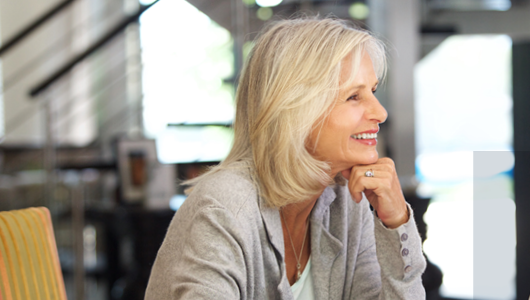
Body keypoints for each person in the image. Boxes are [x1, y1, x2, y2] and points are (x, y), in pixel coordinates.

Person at [146, 17, 426, 299]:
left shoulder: (346, 200)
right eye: (354, 96)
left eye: (373, 91)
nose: (380, 112)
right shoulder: (224, 208)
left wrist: (396, 222)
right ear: (296, 109)